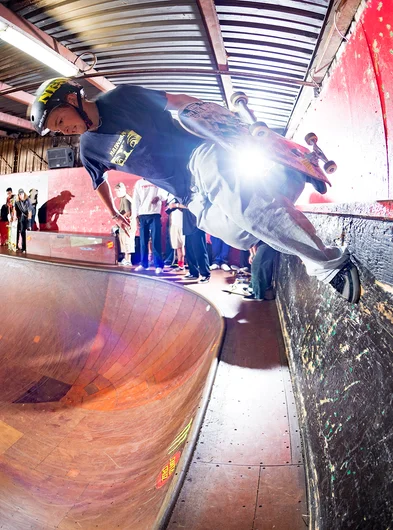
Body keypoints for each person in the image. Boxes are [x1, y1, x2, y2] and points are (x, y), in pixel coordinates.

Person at [30, 78, 360, 303]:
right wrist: (114, 211)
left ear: (73, 98)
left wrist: (227, 123)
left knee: (250, 208)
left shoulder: (121, 97)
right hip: (187, 196)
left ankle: (328, 265)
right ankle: (293, 174)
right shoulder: (89, 148)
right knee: (241, 235)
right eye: (58, 130)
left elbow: (177, 102)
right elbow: (97, 181)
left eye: (60, 121)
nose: (64, 131)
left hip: (199, 156)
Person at [132, 179, 166, 274]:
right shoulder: (139, 183)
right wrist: (136, 216)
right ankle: (144, 264)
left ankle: (158, 265)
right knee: (143, 241)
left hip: (155, 214)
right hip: (142, 215)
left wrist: (158, 197)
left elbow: (164, 194)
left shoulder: (157, 180)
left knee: (155, 241)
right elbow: (136, 200)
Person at [113, 181, 136, 266]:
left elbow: (128, 212)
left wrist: (119, 219)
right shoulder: (123, 198)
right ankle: (126, 259)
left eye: (117, 191)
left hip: (128, 226)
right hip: (126, 225)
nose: (116, 193)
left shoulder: (126, 199)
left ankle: (128, 260)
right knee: (125, 241)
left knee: (127, 242)